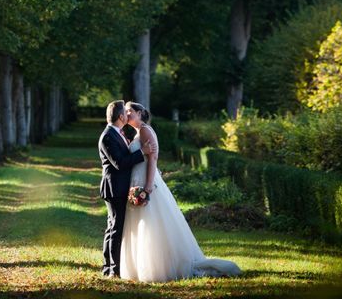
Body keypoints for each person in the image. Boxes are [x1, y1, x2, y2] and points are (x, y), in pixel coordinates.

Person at [120, 101, 242, 282]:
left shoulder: (145, 130)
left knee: (151, 223)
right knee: (141, 224)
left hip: (146, 183)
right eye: (126, 112)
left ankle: (159, 268)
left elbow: (152, 160)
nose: (127, 114)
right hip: (136, 182)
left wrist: (147, 187)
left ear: (139, 113)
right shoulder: (137, 132)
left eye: (130, 111)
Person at [98, 100, 156, 278]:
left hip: (120, 187)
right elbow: (120, 163)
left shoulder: (118, 133)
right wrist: (142, 152)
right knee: (115, 228)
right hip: (114, 188)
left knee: (113, 227)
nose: (128, 114)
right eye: (126, 112)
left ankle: (109, 266)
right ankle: (113, 269)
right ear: (121, 116)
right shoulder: (108, 136)